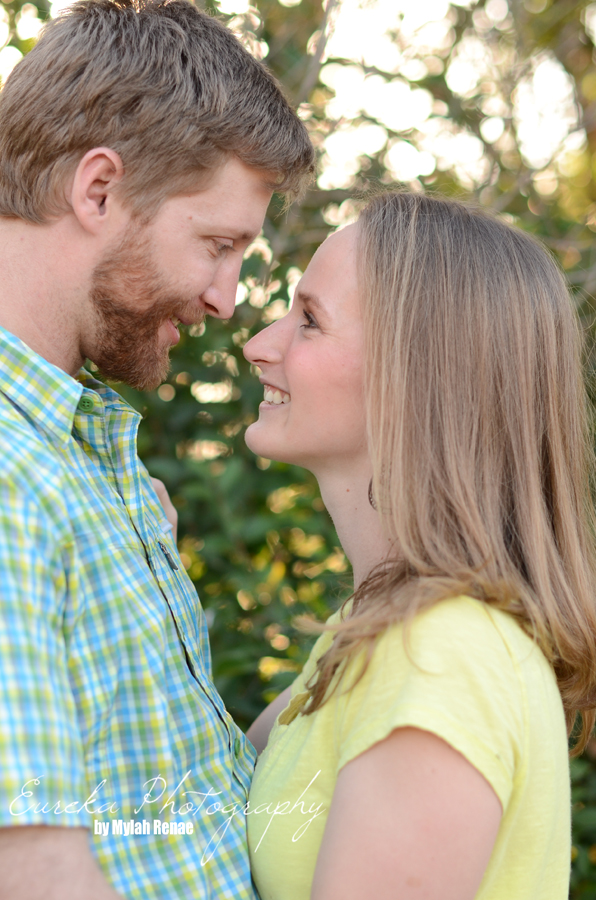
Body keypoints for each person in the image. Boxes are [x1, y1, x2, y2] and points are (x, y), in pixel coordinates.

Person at [0, 1, 313, 897]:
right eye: (217, 245)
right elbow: (30, 869)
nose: (226, 299)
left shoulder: (81, 452)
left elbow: (175, 785)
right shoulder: (11, 475)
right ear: (98, 190)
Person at [242, 192, 596, 900]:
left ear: (414, 377)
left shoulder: (443, 656)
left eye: (308, 321)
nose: (258, 345)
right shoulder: (375, 629)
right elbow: (203, 780)